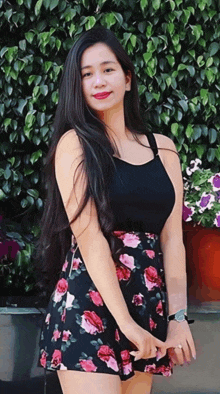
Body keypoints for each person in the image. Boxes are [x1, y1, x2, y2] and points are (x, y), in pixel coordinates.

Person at [37, 26, 196, 394]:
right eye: (86, 74)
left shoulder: (164, 149)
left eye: (107, 69)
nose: (98, 81)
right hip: (88, 304)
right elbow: (90, 239)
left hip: (145, 303)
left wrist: (177, 319)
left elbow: (173, 241)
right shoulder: (74, 145)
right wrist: (125, 324)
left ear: (127, 77)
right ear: (77, 87)